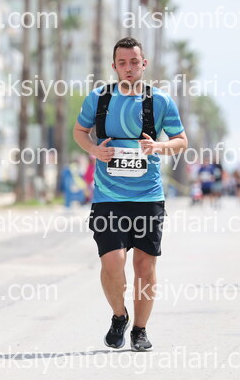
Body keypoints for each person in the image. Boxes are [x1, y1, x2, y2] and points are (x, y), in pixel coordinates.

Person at [73, 37, 188, 351]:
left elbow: (181, 141)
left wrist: (159, 146)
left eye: (134, 62)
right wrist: (94, 150)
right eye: (122, 63)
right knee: (113, 261)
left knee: (144, 267)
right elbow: (79, 131)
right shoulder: (99, 98)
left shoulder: (160, 101)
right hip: (108, 197)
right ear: (114, 66)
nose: (128, 68)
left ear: (144, 64)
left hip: (148, 197)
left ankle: (140, 330)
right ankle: (119, 315)